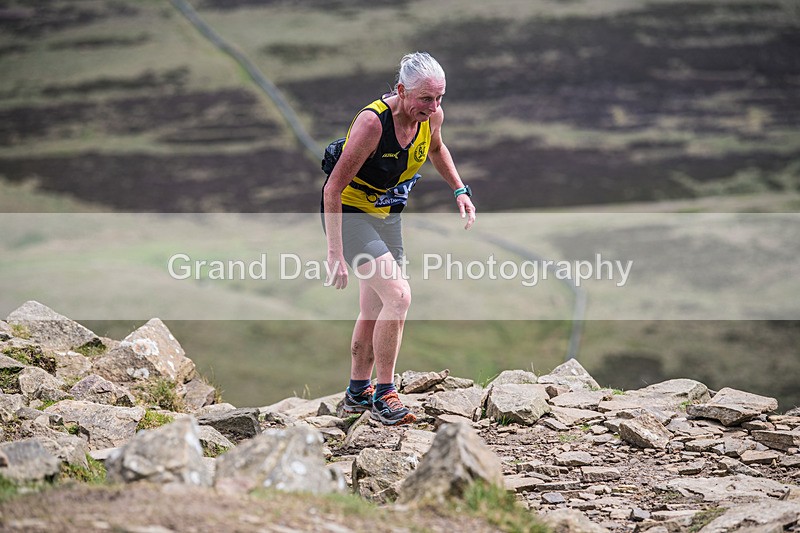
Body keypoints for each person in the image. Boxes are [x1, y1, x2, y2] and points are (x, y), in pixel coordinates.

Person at [322, 52, 476, 426]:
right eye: (426, 98)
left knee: (374, 308)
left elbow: (437, 149)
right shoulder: (372, 123)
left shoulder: (431, 118)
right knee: (399, 295)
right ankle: (385, 394)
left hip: (389, 216)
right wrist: (335, 252)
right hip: (353, 213)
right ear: (402, 90)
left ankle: (357, 392)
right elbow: (333, 188)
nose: (434, 106)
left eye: (440, 98)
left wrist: (459, 190)